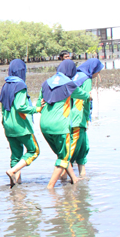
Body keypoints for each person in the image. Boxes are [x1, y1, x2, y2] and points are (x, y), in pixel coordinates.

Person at [34, 59, 90, 188]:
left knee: (62, 154)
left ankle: (74, 179)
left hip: (44, 125)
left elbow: (38, 105)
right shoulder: (69, 84)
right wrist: (89, 96)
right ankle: (50, 187)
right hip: (59, 125)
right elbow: (82, 95)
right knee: (64, 157)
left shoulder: (45, 83)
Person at [0, 59, 40, 187]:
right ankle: (13, 171)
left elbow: (2, 107)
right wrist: (36, 109)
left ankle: (17, 184)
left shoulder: (5, 85)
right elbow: (20, 106)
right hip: (21, 126)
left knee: (16, 155)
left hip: (8, 126)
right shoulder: (20, 85)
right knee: (34, 151)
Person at [70, 59, 103, 176]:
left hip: (69, 115)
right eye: (98, 71)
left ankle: (82, 176)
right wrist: (87, 118)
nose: (98, 74)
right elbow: (86, 99)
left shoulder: (75, 75)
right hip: (78, 117)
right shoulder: (86, 79)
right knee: (74, 150)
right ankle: (64, 178)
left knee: (83, 145)